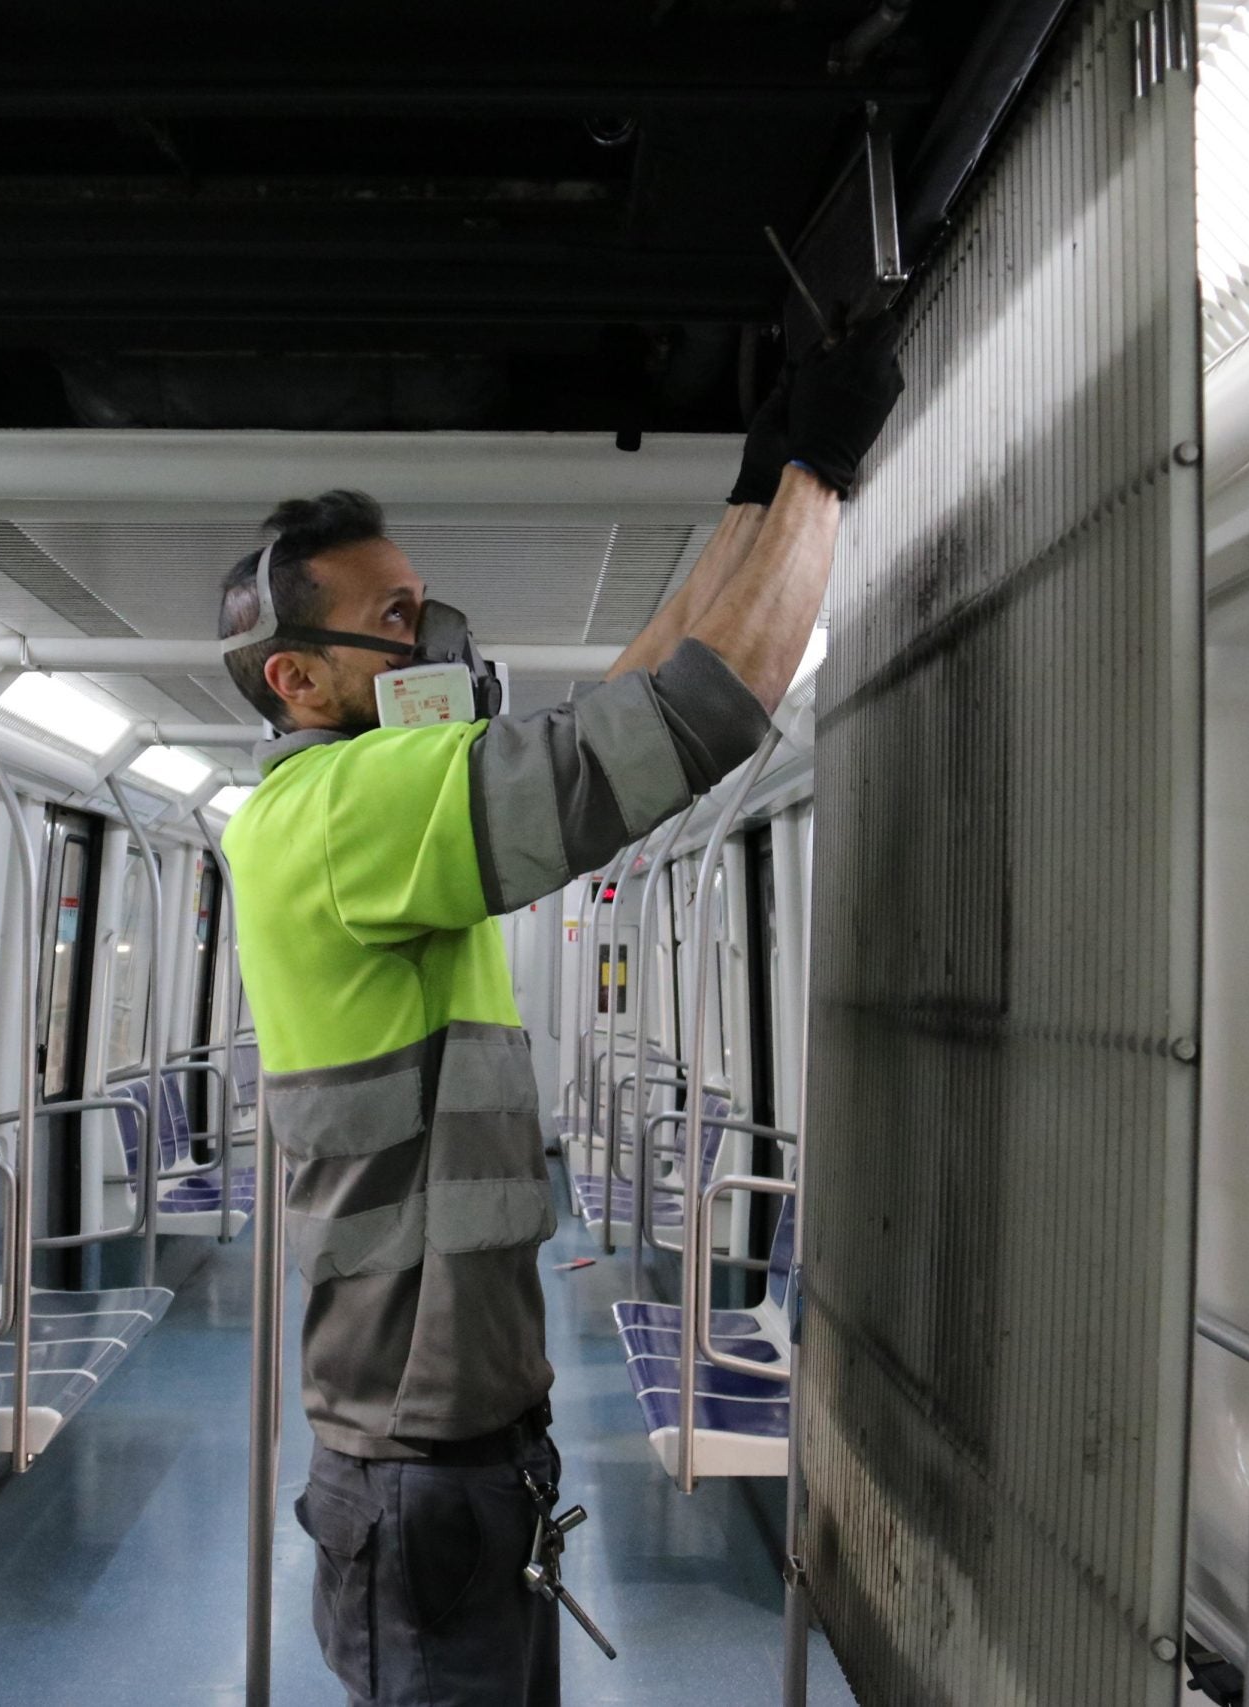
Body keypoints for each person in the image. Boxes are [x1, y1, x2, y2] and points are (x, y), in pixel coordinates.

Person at [215, 322, 902, 1707]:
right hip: (422, 1464)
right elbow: (679, 731)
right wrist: (825, 473)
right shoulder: (339, 810)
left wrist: (756, 490)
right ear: (297, 680)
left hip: (452, 1446)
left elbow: (616, 704)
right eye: (398, 623)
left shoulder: (378, 816)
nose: (439, 638)